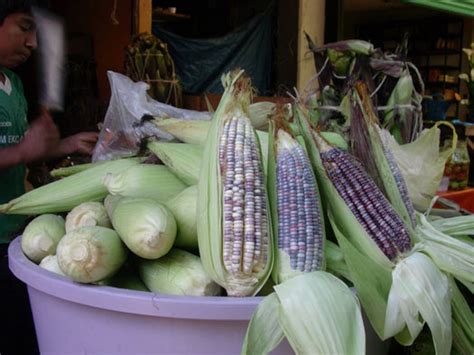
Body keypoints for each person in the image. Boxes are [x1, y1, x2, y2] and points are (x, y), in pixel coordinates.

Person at [0, 1, 98, 353]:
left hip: (12, 234)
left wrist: (65, 144)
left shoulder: (11, 82)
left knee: (20, 332)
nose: (33, 43)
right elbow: (20, 151)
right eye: (24, 27)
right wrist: (25, 151)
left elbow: (17, 150)